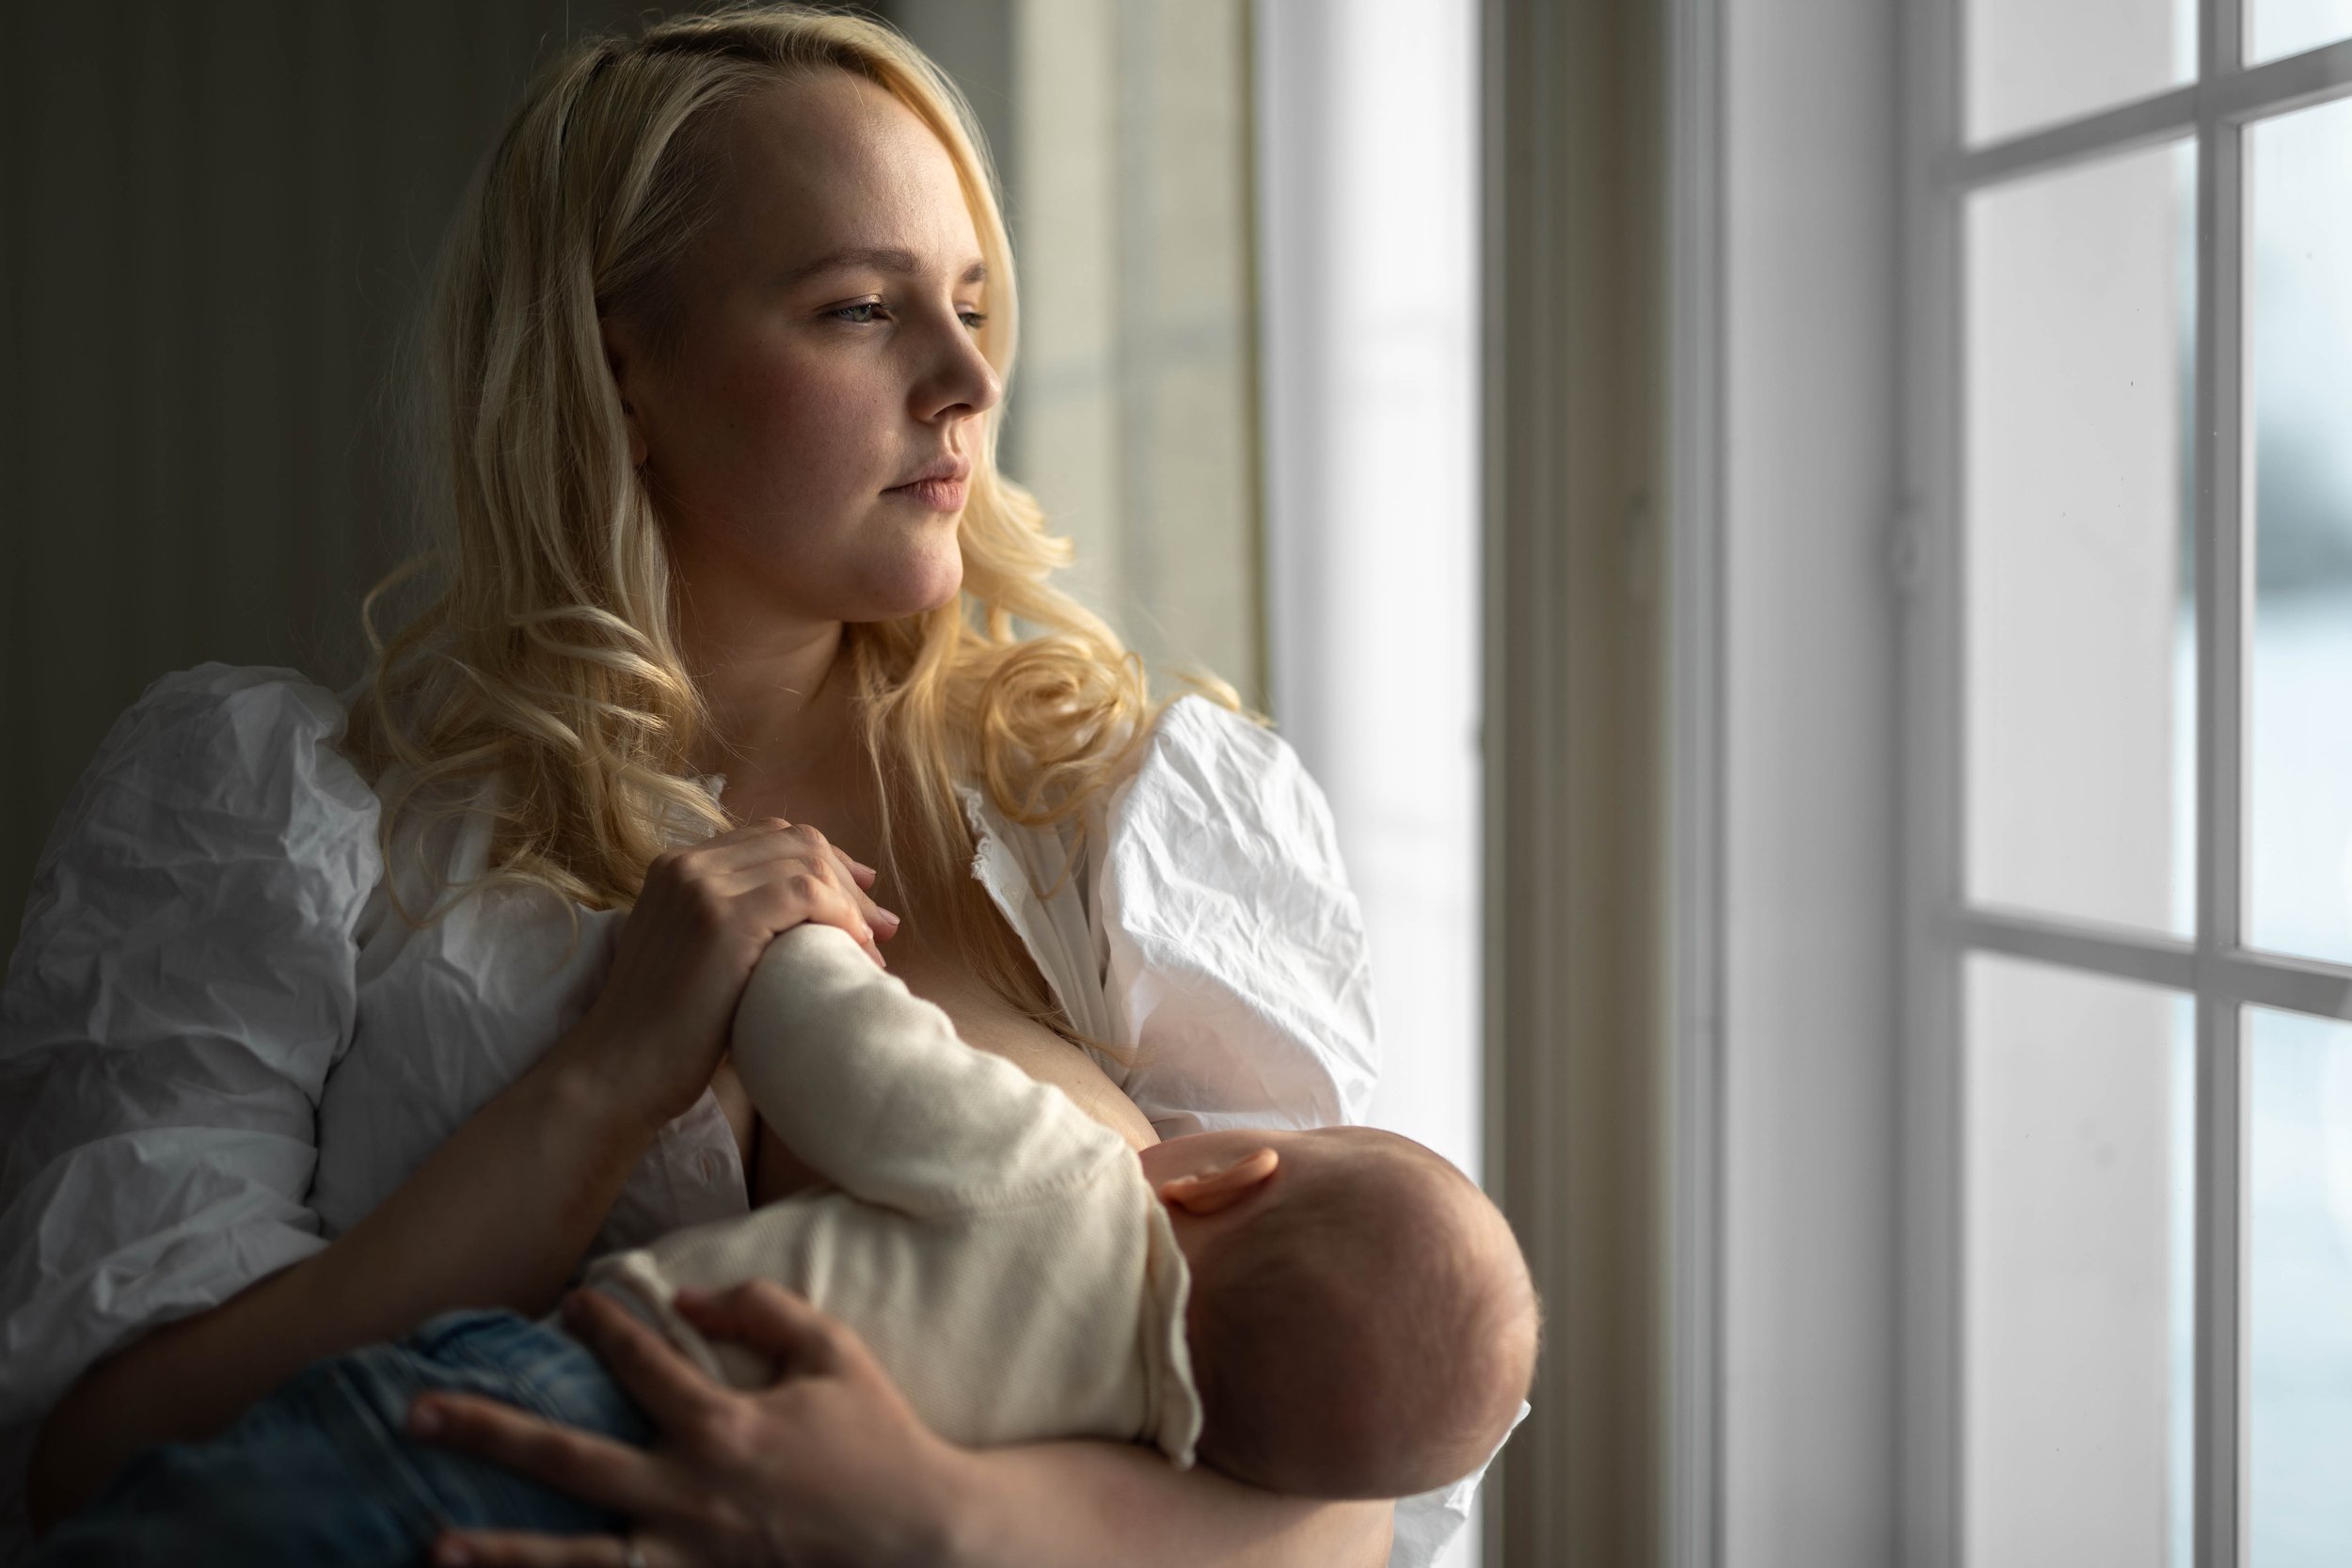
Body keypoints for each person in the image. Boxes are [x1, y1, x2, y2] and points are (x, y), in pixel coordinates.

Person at [0, 7, 1517, 1564]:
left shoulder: (1123, 817)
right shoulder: (275, 817)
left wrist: (937, 1520)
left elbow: (1351, 1482)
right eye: (861, 307)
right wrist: (603, 1082)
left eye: (973, 303)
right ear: (621, 367)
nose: (964, 381)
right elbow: (96, 1460)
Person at [26, 923, 1538, 1566]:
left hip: (552, 1404)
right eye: (864, 309)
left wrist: (794, 933)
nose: (961, 376)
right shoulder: (1152, 1434)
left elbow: (849, 1059)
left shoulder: (1072, 1182)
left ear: (1211, 1178)